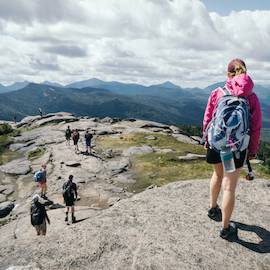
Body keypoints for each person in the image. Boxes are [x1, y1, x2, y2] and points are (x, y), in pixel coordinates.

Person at [203, 59, 262, 241]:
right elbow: (256, 128)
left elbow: (208, 117)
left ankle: (213, 209)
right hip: (235, 149)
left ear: (228, 74)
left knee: (217, 176)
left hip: (216, 144)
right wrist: (251, 151)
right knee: (229, 188)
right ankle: (226, 228)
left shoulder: (217, 92)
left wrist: (206, 139)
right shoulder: (251, 97)